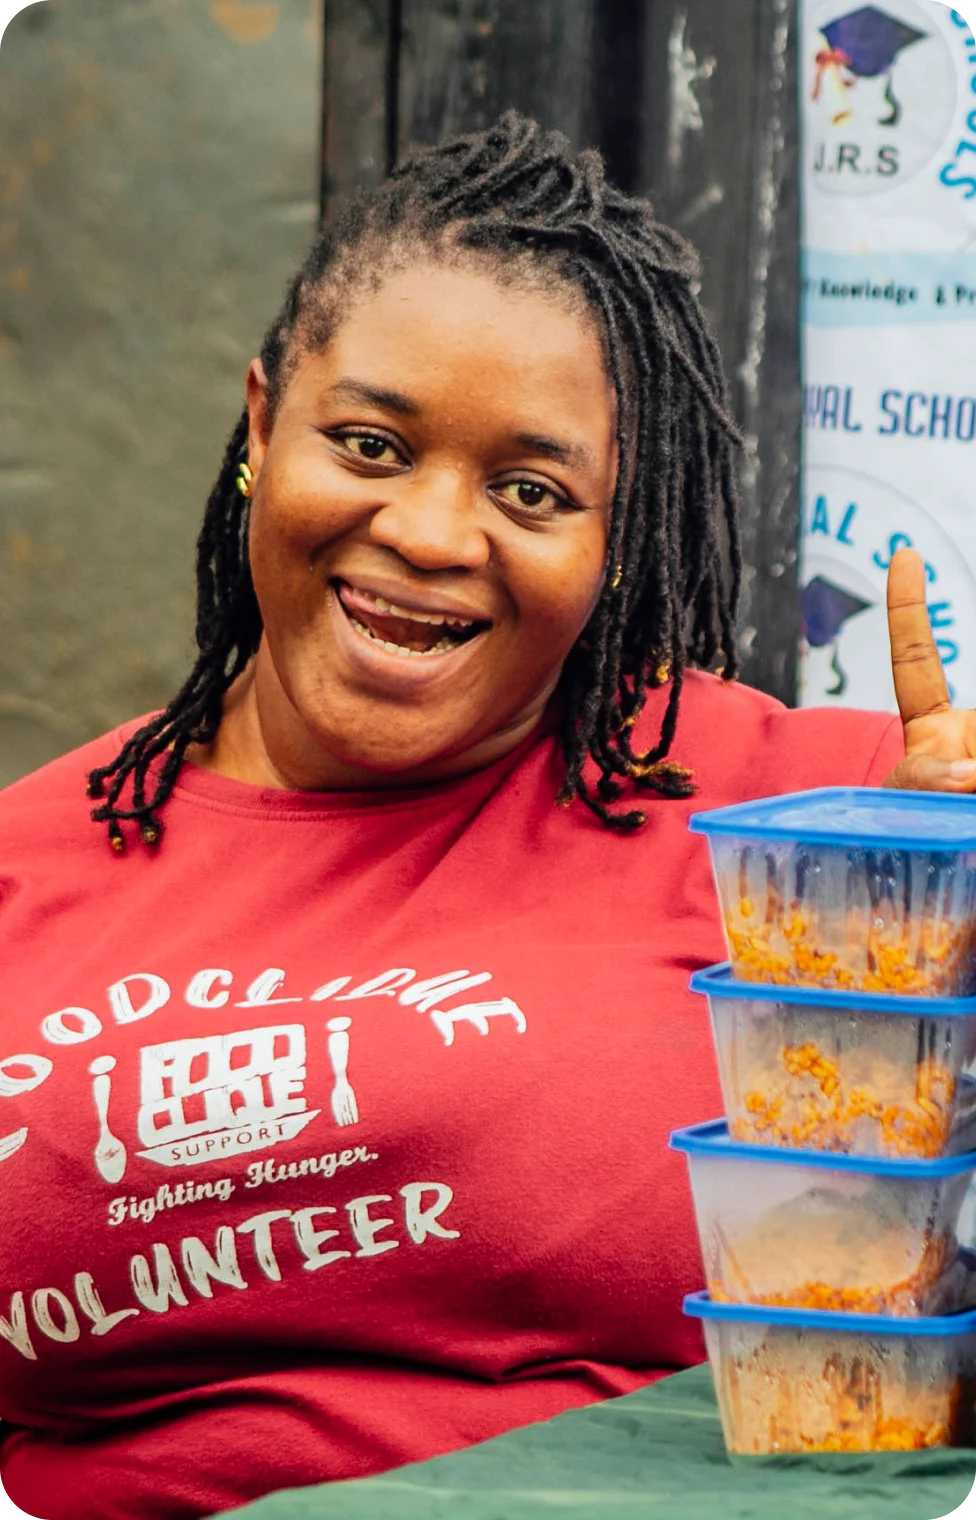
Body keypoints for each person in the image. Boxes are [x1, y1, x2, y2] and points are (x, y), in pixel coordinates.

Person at [0, 112, 973, 1520]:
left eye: (531, 490)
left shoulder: (803, 821)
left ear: (610, 536)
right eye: (370, 444)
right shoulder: (29, 873)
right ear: (263, 429)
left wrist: (937, 898)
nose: (435, 533)